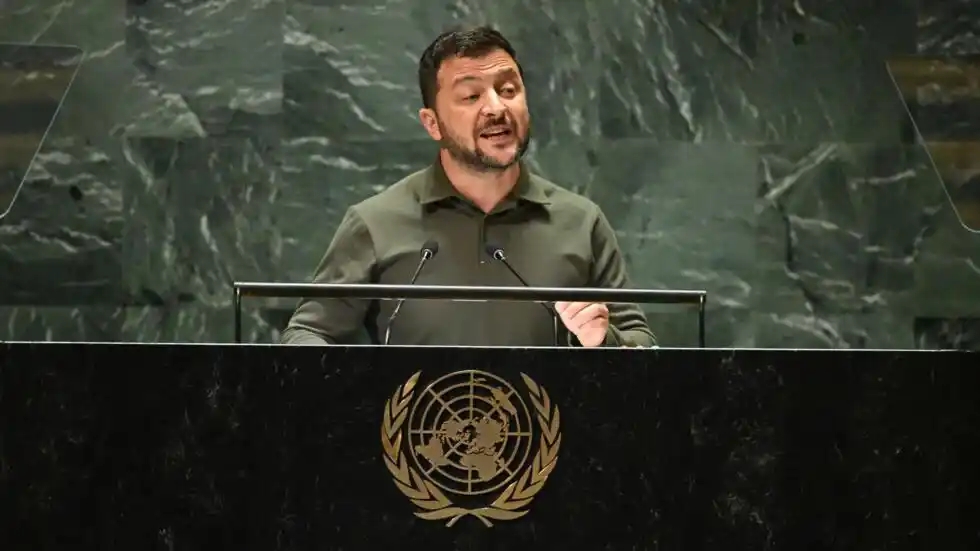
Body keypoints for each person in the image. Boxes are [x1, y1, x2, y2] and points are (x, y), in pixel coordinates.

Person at [280, 25, 656, 348]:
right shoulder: (375, 223)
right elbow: (308, 334)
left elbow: (643, 346)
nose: (496, 108)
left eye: (508, 90)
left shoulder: (581, 222)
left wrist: (604, 339)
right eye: (471, 96)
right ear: (432, 124)